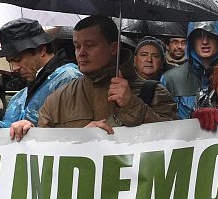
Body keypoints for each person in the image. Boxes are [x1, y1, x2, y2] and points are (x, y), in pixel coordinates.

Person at [14, 15, 176, 136]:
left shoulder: (154, 92)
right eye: (77, 46)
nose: (81, 53)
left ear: (113, 48)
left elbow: (177, 143)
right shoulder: (57, 100)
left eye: (90, 45)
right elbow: (46, 153)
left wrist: (132, 105)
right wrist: (29, 133)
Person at [0, 19, 81, 135]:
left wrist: (36, 130)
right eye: (10, 61)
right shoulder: (18, 97)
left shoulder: (68, 79)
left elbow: (75, 133)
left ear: (41, 50)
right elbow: (5, 133)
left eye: (18, 59)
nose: (14, 68)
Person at [161, 21, 218, 119]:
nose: (205, 41)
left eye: (210, 34)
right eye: (199, 35)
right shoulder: (170, 79)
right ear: (191, 40)